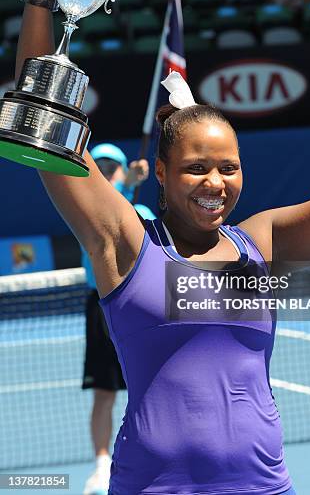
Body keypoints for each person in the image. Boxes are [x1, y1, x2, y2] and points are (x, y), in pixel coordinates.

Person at [13, 0, 310, 495]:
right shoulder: (126, 246)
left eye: (228, 168)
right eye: (195, 168)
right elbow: (40, 127)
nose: (215, 183)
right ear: (160, 174)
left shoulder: (263, 246)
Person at [82, 143, 156, 495]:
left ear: (124, 169)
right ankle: (101, 467)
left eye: (115, 167)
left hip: (141, 307)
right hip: (100, 308)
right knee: (104, 393)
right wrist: (126, 185)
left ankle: (147, 458)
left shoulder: (141, 210)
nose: (109, 173)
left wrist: (130, 188)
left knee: (150, 390)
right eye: (103, 168)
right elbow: (105, 219)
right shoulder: (85, 215)